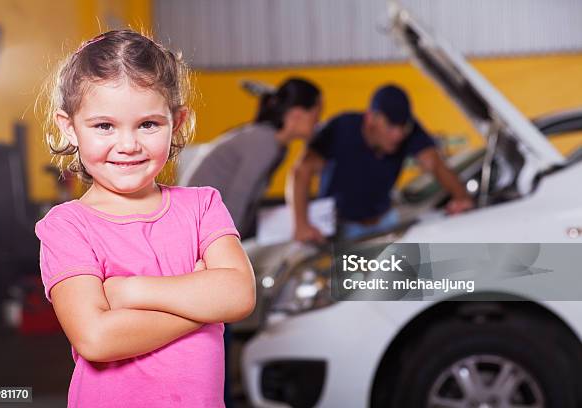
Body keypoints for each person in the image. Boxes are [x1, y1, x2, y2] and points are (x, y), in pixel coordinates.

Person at [34, 30, 255, 407]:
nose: (129, 144)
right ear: (69, 126)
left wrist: (132, 292)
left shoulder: (202, 206)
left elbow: (239, 295)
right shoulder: (66, 226)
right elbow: (97, 338)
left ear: (177, 121)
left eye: (148, 124)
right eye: (104, 126)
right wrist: (202, 304)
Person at [288, 84, 474, 242]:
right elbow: (301, 171)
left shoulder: (410, 132)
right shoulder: (341, 128)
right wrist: (301, 225)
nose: (398, 135)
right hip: (340, 228)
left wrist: (461, 197)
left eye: (403, 127)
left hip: (385, 223)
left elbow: (435, 164)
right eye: (391, 126)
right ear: (371, 118)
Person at [180, 77, 322, 239]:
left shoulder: (275, 145)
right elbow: (239, 197)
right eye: (315, 115)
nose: (317, 123)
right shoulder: (265, 142)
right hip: (194, 225)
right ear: (297, 115)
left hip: (204, 223)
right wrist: (229, 243)